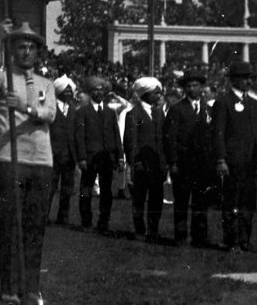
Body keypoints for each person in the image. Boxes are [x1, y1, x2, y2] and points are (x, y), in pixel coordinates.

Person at [0, 20, 56, 305]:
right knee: (10, 223)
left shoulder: (47, 83)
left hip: (42, 161)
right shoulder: (2, 77)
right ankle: (9, 286)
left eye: (31, 47)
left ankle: (31, 287)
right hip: (10, 159)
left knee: (35, 226)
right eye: (20, 47)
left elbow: (50, 114)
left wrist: (23, 107)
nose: (26, 52)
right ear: (12, 51)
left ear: (38, 52)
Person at [212, 61, 257, 252]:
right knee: (231, 202)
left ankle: (245, 240)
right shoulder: (223, 102)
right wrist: (221, 159)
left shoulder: (255, 104)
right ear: (234, 80)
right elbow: (218, 133)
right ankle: (231, 240)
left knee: (248, 202)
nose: (248, 81)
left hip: (251, 161)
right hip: (232, 161)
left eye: (249, 78)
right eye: (244, 78)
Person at [163, 70, 215, 247]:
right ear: (184, 89)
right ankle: (180, 236)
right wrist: (173, 162)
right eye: (189, 86)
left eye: (196, 85)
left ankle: (200, 236)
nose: (192, 89)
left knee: (201, 202)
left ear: (201, 87)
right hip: (183, 164)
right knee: (182, 201)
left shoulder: (208, 109)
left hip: (203, 165)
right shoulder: (177, 109)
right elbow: (170, 138)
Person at [73, 76, 124, 234]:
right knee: (86, 190)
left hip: (107, 159)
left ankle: (104, 222)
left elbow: (116, 135)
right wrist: (81, 157)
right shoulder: (82, 112)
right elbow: (79, 136)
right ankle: (86, 221)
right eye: (96, 89)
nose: (99, 92)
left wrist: (120, 156)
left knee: (106, 191)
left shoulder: (110, 112)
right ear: (90, 92)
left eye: (101, 89)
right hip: (89, 158)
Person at [123, 77, 168, 243]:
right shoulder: (133, 114)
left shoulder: (159, 113)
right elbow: (131, 142)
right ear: (146, 94)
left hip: (157, 165)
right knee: (139, 200)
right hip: (142, 165)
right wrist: (135, 163)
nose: (158, 96)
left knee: (156, 199)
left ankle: (153, 230)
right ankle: (140, 230)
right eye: (155, 93)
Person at [48, 75, 77, 226]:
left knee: (67, 189)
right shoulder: (51, 107)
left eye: (70, 91)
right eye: (65, 91)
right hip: (52, 154)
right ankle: (44, 216)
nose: (68, 93)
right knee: (49, 188)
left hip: (69, 156)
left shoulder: (73, 109)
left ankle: (63, 217)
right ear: (58, 91)